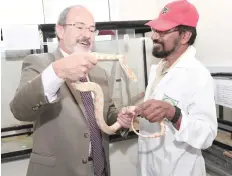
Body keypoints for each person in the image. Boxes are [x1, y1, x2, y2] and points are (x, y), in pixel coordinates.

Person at [10, 5, 134, 176]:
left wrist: (121, 120)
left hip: (100, 170)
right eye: (80, 27)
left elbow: (107, 112)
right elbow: (20, 110)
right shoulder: (39, 64)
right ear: (60, 31)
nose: (87, 34)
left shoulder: (100, 73)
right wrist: (57, 72)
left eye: (92, 29)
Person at [134, 1, 218, 176]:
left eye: (162, 31)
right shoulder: (158, 69)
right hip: (149, 166)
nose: (154, 36)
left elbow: (207, 135)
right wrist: (135, 113)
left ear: (185, 36)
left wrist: (174, 114)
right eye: (155, 30)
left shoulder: (198, 75)